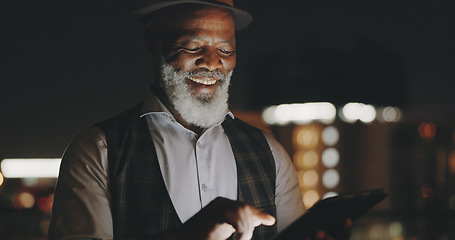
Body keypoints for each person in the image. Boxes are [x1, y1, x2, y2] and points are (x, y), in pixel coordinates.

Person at [48, 0, 351, 239]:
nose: (213, 63)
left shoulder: (269, 153)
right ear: (153, 42)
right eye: (194, 46)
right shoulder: (98, 151)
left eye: (226, 49)